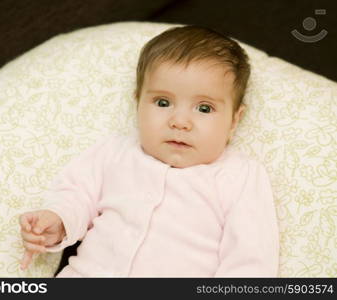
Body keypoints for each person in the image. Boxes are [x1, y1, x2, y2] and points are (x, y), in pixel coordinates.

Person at [19, 25, 279, 277]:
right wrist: (59, 220)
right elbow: (77, 194)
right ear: (138, 103)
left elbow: (250, 259)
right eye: (163, 102)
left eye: (204, 108)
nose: (180, 121)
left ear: (234, 120)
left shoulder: (239, 175)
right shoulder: (115, 153)